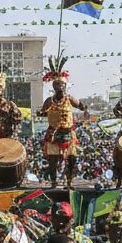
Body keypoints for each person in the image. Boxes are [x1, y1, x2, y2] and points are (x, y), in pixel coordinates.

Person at [37, 55, 87, 188]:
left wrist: (83, 107)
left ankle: (69, 182)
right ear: (54, 86)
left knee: (71, 160)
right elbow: (43, 112)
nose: (60, 87)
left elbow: (81, 105)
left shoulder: (70, 98)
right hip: (53, 134)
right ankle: (54, 181)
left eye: (62, 84)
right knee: (52, 161)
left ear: (65, 86)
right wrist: (41, 113)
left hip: (68, 134)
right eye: (57, 84)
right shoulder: (49, 101)